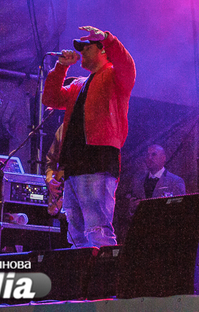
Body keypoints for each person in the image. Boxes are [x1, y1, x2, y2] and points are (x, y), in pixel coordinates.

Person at [42, 26, 136, 247]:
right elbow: (50, 99)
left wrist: (108, 39)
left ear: (102, 51)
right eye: (80, 48)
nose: (81, 51)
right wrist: (61, 67)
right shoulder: (78, 84)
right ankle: (83, 269)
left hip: (98, 160)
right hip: (73, 166)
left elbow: (127, 64)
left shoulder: (114, 76)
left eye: (87, 47)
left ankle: (105, 269)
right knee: (76, 235)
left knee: (97, 229)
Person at [130, 144, 186, 215]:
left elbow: (180, 209)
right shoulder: (139, 182)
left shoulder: (175, 182)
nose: (149, 158)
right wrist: (132, 209)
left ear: (163, 158)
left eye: (154, 154)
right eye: (147, 155)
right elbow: (133, 212)